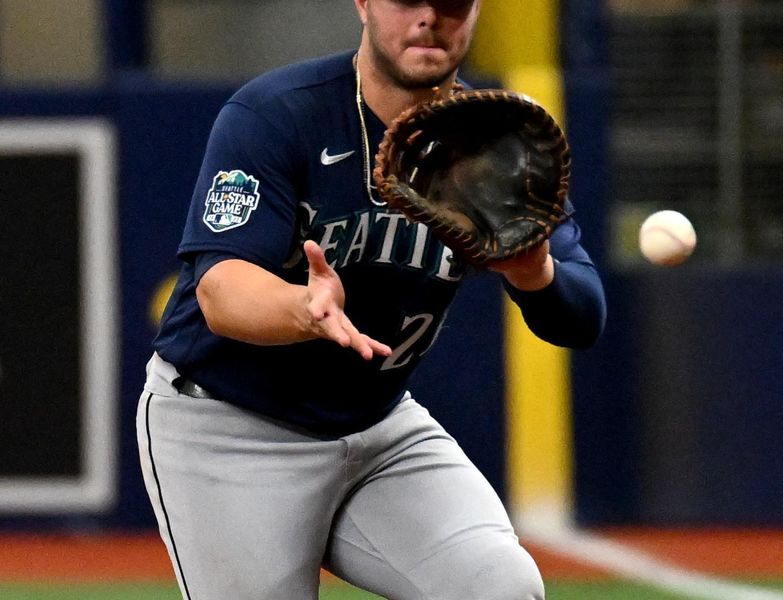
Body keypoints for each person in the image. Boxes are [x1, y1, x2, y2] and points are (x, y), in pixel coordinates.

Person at [137, 1, 606, 599]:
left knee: (500, 588)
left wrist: (533, 269)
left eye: (453, 3)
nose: (430, 18)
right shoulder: (280, 112)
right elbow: (221, 291)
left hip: (378, 429)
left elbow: (583, 315)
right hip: (229, 427)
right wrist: (302, 310)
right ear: (363, 2)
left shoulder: (494, 144)